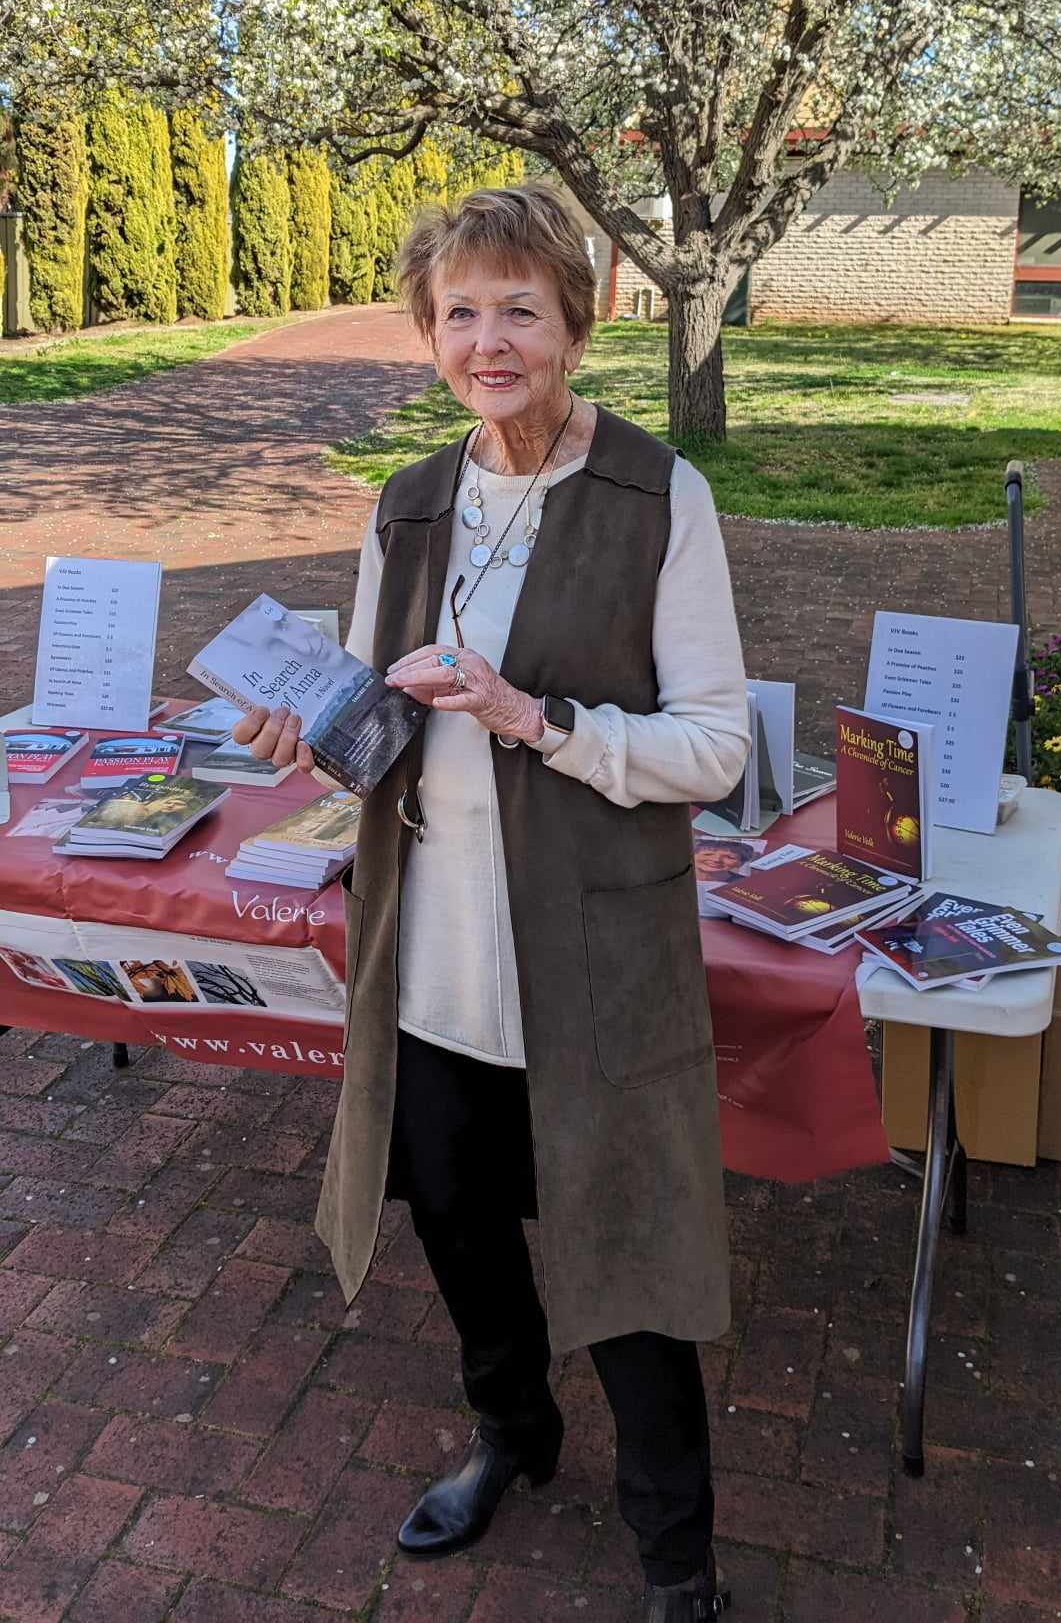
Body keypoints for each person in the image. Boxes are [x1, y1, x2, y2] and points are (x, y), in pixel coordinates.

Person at [236, 184, 749, 1620]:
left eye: (518, 306)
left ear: (574, 324)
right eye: (458, 311)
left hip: (590, 957)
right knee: (458, 1222)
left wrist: (536, 717)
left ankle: (677, 1563)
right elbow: (369, 720)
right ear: (427, 333)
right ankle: (513, 1437)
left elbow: (715, 749)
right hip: (433, 957)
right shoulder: (405, 505)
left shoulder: (658, 496)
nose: (487, 337)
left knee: (630, 1254)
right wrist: (308, 730)